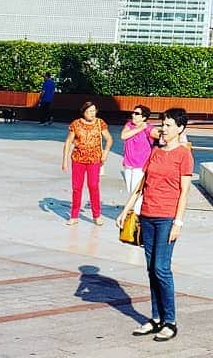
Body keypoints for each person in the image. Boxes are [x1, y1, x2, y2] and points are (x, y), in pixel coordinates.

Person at [117, 107, 193, 342]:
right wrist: (127, 208)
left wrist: (178, 222)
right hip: (147, 215)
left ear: (180, 128)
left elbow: (185, 191)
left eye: (169, 125)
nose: (163, 129)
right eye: (163, 124)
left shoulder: (184, 154)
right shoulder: (156, 152)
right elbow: (142, 182)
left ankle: (170, 321)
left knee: (161, 268)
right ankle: (156, 318)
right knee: (151, 269)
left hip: (167, 218)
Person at [61, 100, 113, 226]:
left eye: (94, 111)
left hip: (94, 159)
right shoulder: (76, 124)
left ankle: (96, 215)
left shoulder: (100, 123)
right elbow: (68, 141)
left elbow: (109, 139)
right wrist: (64, 160)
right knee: (77, 187)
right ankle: (74, 215)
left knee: (93, 186)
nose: (92, 114)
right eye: (89, 111)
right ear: (84, 112)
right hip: (78, 159)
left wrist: (105, 152)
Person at [119, 104, 154, 207]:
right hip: (128, 165)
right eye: (133, 113)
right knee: (130, 191)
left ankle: (137, 215)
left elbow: (157, 135)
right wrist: (139, 128)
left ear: (143, 117)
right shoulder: (129, 125)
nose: (133, 115)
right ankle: (133, 214)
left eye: (137, 113)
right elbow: (123, 136)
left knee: (137, 192)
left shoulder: (148, 128)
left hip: (140, 166)